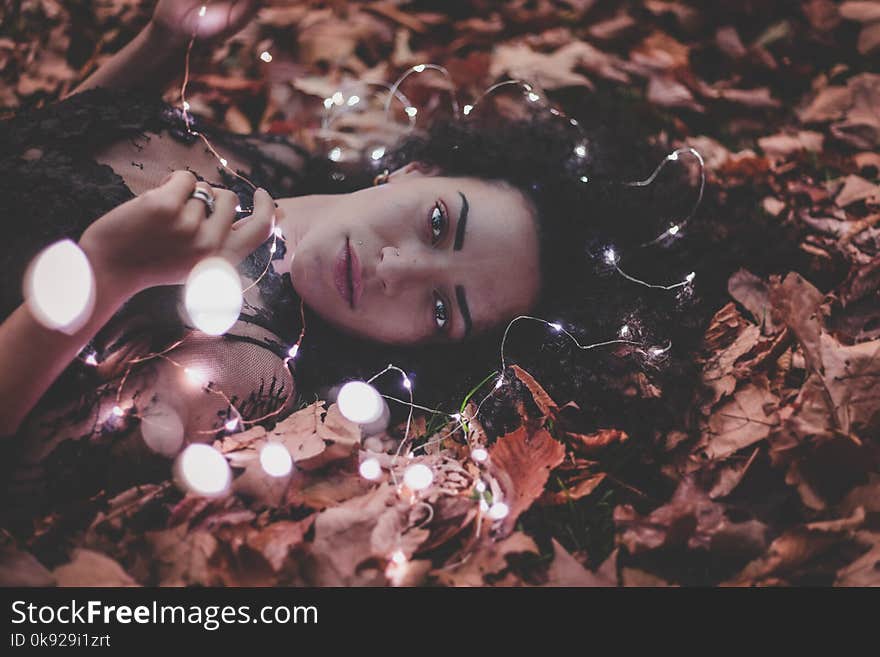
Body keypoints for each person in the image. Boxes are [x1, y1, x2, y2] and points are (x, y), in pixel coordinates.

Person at [0, 0, 773, 522]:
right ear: (413, 172)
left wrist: (106, 276)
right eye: (438, 222)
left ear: (425, 352)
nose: (397, 268)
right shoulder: (275, 164)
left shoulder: (248, 361)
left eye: (442, 309)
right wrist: (164, 42)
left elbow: (22, 470)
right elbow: (39, 156)